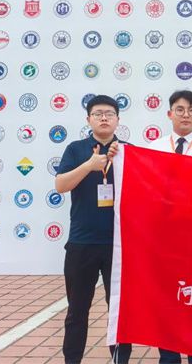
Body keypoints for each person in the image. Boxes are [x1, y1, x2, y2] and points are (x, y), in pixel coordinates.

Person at [145, 89, 192, 364]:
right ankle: (168, 357)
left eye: (191, 110)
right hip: (165, 240)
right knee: (167, 301)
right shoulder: (155, 147)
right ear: (169, 114)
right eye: (180, 109)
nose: (185, 115)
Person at [55, 95, 132, 364]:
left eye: (109, 113)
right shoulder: (76, 149)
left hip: (120, 245)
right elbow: (61, 185)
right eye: (98, 113)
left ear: (118, 120)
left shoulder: (128, 151)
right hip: (82, 243)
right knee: (77, 310)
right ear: (88, 119)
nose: (104, 118)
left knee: (119, 312)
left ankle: (120, 360)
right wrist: (89, 165)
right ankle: (72, 360)